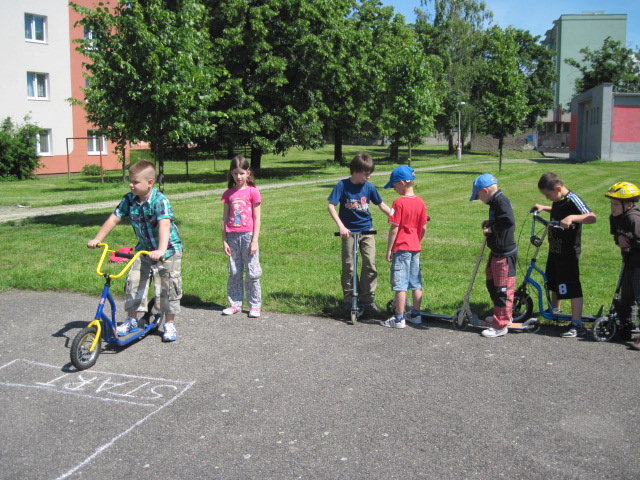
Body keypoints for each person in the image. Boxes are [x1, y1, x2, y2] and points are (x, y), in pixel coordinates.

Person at [88, 160, 182, 342]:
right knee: (134, 281)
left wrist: (161, 250)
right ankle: (131, 320)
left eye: (136, 182)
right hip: (144, 250)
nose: (131, 185)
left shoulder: (160, 201)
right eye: (130, 181)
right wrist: (98, 239)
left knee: (167, 287)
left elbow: (164, 225)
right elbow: (114, 218)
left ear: (150, 182)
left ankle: (169, 324)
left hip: (168, 250)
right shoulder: (129, 199)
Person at [532, 172, 596, 338]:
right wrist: (544, 207)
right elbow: (558, 210)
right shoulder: (558, 200)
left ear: (558, 188)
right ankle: (556, 311)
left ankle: (577, 324)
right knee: (554, 281)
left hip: (568, 252)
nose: (547, 198)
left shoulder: (572, 199)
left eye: (548, 195)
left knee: (572, 286)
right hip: (555, 250)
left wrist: (572, 218)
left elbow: (591, 217)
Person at [328, 152, 391, 317]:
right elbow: (331, 206)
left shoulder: (369, 187)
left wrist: (394, 215)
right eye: (366, 174)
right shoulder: (342, 186)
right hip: (348, 232)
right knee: (348, 266)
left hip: (367, 230)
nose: (368, 177)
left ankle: (367, 299)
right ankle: (349, 299)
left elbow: (381, 204)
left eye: (370, 174)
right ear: (356, 171)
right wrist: (341, 226)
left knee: (370, 264)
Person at [470, 174, 517, 338]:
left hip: (504, 254)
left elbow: (508, 220)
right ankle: (501, 314)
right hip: (496, 252)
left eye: (478, 196)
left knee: (502, 289)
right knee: (492, 284)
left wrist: (492, 229)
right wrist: (490, 223)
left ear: (485, 191)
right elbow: (501, 219)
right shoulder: (495, 202)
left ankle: (501, 325)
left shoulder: (501, 201)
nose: (479, 199)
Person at [380, 166, 428, 329]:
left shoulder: (398, 203)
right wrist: (417, 240)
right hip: (415, 247)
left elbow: (394, 228)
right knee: (416, 282)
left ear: (402, 183)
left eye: (394, 185)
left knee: (400, 284)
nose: (394, 189)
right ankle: (416, 314)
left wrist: (389, 248)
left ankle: (399, 318)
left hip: (401, 248)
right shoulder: (420, 202)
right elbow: (424, 226)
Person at [221, 156, 262, 318]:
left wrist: (254, 241)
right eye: (235, 173)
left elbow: (257, 218)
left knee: (252, 272)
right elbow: (225, 218)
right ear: (231, 173)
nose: (239, 177)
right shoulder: (228, 194)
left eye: (242, 173)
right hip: (232, 237)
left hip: (248, 236)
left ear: (248, 173)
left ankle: (254, 305)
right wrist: (224, 240)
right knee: (234, 271)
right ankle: (235, 304)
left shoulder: (253, 192)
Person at [605, 182, 640, 348]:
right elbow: (616, 235)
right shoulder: (615, 218)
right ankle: (626, 327)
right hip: (629, 262)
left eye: (616, 204)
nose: (612, 207)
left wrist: (632, 244)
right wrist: (618, 239)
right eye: (611, 204)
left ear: (629, 204)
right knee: (626, 298)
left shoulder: (634, 219)